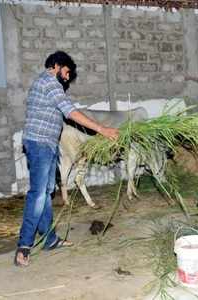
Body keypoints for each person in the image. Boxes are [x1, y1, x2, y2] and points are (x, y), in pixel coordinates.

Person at [14, 51, 119, 267]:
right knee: (38, 195)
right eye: (67, 72)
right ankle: (24, 246)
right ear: (57, 65)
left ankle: (50, 240)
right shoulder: (49, 82)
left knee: (45, 192)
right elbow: (70, 111)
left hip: (46, 144)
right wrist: (102, 129)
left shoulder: (45, 83)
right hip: (40, 144)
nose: (68, 77)